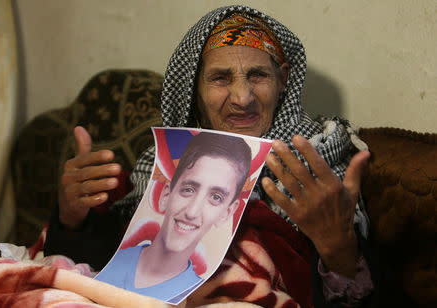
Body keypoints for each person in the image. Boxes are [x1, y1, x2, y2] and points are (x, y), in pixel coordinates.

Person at [44, 6, 378, 307]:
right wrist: (71, 217)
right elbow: (102, 273)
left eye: (258, 75)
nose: (242, 98)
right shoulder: (157, 168)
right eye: (220, 78)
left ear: (282, 79)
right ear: (194, 88)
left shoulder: (322, 160)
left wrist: (337, 247)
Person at [95, 132, 252, 302]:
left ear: (226, 213)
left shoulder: (200, 296)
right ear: (166, 195)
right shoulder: (108, 261)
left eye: (215, 197)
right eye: (188, 189)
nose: (192, 212)